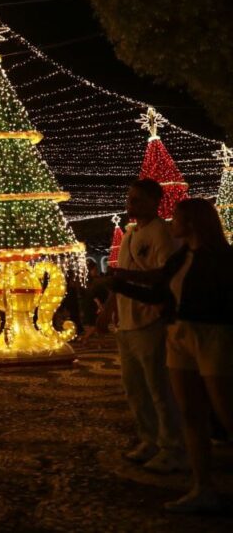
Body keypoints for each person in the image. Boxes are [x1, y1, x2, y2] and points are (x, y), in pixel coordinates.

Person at [112, 198, 233, 513]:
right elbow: (158, 289)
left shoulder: (221, 258)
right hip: (178, 335)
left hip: (212, 334)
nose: (172, 223)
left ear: (191, 223)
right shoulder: (182, 257)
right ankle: (203, 486)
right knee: (191, 414)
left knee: (225, 411)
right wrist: (120, 284)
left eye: (177, 218)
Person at [99, 179, 185, 473]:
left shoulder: (162, 232)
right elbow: (119, 280)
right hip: (127, 323)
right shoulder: (129, 234)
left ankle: (172, 446)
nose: (130, 205)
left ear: (154, 202)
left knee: (159, 388)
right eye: (129, 199)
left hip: (150, 320)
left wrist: (125, 280)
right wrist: (107, 311)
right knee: (134, 388)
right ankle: (148, 438)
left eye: (137, 200)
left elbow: (164, 275)